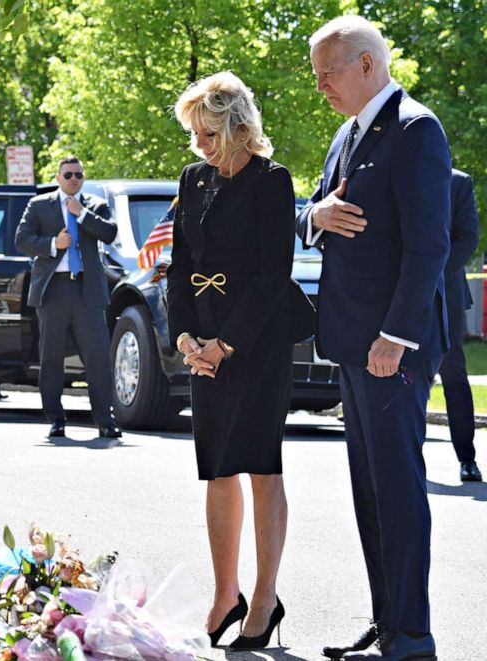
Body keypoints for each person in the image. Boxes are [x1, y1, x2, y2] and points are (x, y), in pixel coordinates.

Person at [296, 16, 450, 661]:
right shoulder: (346, 133)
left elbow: (429, 246)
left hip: (391, 348)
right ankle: (387, 620)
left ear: (365, 64)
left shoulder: (416, 129)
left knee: (397, 486)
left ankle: (411, 633)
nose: (321, 85)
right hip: (352, 343)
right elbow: (315, 207)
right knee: (369, 490)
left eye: (327, 72)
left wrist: (395, 335)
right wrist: (313, 216)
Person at [167, 72, 314, 651]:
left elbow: (273, 272)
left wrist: (225, 345)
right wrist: (186, 340)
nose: (200, 144)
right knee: (216, 466)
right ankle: (224, 593)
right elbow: (178, 267)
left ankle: (264, 596)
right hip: (202, 342)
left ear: (237, 125)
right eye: (194, 134)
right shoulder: (193, 179)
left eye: (208, 132)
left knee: (259, 464)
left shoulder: (272, 180)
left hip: (256, 341)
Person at [15, 156, 121, 439]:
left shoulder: (94, 205)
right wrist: (53, 244)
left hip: (87, 290)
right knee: (51, 357)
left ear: (83, 178)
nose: (73, 178)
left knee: (97, 357)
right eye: (68, 174)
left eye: (78, 174)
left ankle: (104, 420)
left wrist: (82, 214)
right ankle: (55, 418)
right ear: (58, 177)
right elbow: (22, 239)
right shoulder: (40, 205)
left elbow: (110, 233)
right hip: (54, 290)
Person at [441, 170, 482, 482]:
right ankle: (403, 459)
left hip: (447, 294)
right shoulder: (396, 173)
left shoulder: (459, 182)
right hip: (395, 292)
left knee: (454, 374)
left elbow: (467, 238)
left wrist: (430, 272)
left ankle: (467, 458)